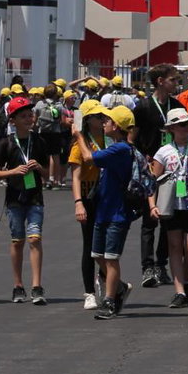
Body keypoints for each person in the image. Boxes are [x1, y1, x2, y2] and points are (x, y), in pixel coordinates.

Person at [73, 104, 138, 319]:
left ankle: (110, 300)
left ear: (117, 126)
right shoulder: (115, 146)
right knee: (97, 254)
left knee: (111, 258)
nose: (104, 123)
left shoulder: (121, 149)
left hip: (117, 212)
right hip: (104, 210)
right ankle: (118, 286)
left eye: (108, 121)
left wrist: (79, 135)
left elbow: (89, 157)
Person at [129, 64, 185, 289]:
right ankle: (148, 267)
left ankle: (162, 264)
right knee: (149, 219)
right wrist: (142, 160)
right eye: (173, 80)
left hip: (172, 169)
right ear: (160, 81)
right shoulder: (142, 107)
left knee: (168, 217)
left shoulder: (176, 105)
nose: (176, 84)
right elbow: (132, 137)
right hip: (149, 168)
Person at [0, 96, 48, 304]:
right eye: (23, 116)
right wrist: (13, 171)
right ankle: (18, 285)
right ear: (12, 120)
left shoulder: (39, 141)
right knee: (18, 240)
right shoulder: (6, 143)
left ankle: (37, 286)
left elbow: (48, 174)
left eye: (30, 114)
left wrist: (39, 168)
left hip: (35, 197)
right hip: (14, 198)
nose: (28, 118)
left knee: (35, 239)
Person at [149, 107, 188, 308]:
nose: (187, 128)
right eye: (182, 125)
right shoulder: (163, 152)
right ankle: (180, 290)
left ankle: (185, 280)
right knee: (174, 246)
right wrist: (152, 205)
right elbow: (153, 181)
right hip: (171, 205)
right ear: (172, 128)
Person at [69, 97, 108, 309]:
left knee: (107, 243)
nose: (103, 119)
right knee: (90, 244)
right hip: (88, 196)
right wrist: (78, 203)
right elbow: (75, 176)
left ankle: (103, 278)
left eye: (103, 115)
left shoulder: (109, 138)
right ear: (87, 119)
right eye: (97, 116)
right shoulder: (79, 142)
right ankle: (89, 292)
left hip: (107, 196)